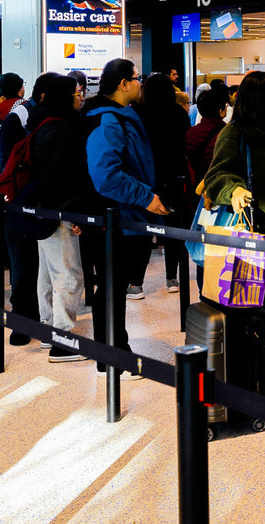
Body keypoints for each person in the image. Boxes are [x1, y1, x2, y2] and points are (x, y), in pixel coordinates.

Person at [86, 59, 167, 373]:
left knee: (113, 287)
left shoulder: (121, 115)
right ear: (123, 83)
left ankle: (114, 353)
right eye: (137, 78)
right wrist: (146, 197)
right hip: (118, 219)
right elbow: (106, 175)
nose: (140, 83)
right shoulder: (109, 120)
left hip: (126, 217)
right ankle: (112, 358)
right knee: (111, 288)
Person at [27, 74, 90, 361]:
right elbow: (63, 175)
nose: (80, 98)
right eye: (76, 94)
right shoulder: (62, 128)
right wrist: (75, 211)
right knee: (69, 274)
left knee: (48, 272)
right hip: (59, 210)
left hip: (42, 209)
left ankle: (49, 328)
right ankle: (62, 341)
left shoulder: (40, 121)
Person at [0, 72, 59, 346]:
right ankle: (23, 320)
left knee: (43, 266)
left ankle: (44, 318)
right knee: (24, 265)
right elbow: (9, 161)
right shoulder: (20, 117)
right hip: (23, 202)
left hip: (41, 201)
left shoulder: (46, 117)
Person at [202, 72, 265, 224]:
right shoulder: (234, 132)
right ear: (261, 99)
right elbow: (215, 176)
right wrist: (235, 189)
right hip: (250, 218)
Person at [138, 72, 190, 293]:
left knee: (142, 229)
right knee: (173, 230)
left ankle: (136, 283)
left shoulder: (139, 113)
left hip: (146, 176)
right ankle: (171, 278)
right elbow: (184, 143)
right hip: (174, 176)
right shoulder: (178, 112)